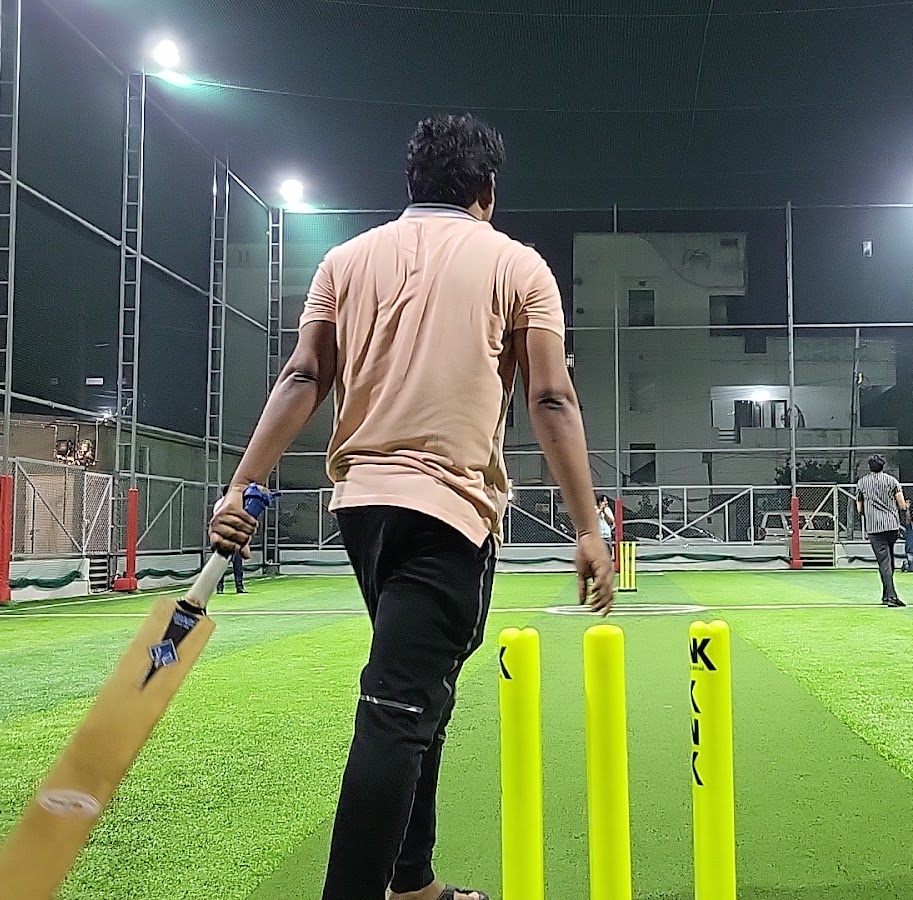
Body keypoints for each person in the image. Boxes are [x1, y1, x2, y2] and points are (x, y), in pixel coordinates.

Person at [209, 113, 613, 900]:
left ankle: (412, 882)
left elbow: (303, 377)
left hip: (362, 512)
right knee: (396, 707)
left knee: (422, 692)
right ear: (487, 190)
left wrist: (240, 485)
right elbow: (551, 398)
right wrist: (588, 527)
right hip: (447, 513)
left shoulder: (345, 260)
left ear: (411, 183)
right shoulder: (518, 265)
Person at [854, 454, 909, 607]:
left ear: (870, 467)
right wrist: (903, 508)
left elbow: (859, 508)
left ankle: (890, 596)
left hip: (874, 528)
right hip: (891, 525)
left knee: (884, 561)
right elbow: (902, 505)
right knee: (889, 560)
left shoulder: (862, 483)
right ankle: (887, 595)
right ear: (883, 466)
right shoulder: (892, 481)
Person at [217, 483, 256, 594]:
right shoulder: (222, 503)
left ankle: (238, 586)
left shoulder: (235, 504)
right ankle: (222, 587)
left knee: (236, 563)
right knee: (223, 564)